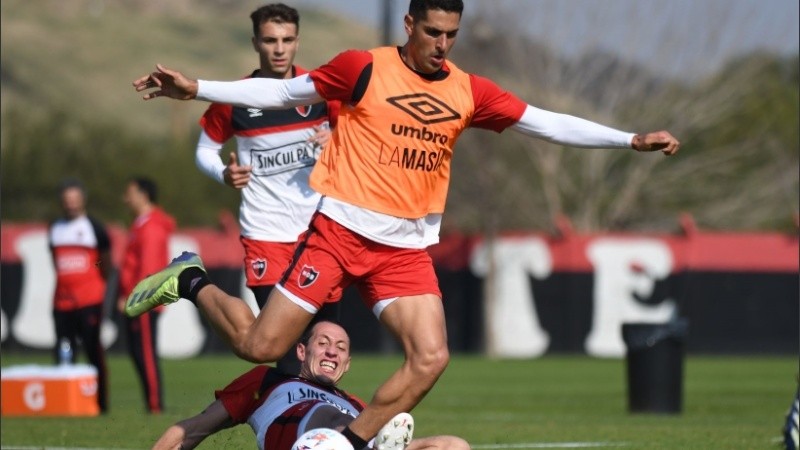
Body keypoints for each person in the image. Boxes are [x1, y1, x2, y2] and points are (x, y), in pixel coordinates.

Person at [129, 0, 680, 446]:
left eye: (452, 35)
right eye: (433, 31)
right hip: (338, 237)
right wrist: (196, 87)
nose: (442, 45)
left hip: (403, 251)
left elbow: (543, 122)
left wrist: (628, 139)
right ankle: (190, 279)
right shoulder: (362, 68)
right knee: (259, 347)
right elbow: (280, 91)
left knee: (431, 357)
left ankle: (348, 444)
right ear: (410, 23)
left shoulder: (467, 90)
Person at [195, 3, 340, 374]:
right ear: (255, 42)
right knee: (284, 347)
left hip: (320, 233)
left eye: (287, 40)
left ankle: (313, 426)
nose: (279, 49)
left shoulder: (319, 89)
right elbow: (205, 149)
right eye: (271, 40)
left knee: (325, 341)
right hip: (266, 233)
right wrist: (223, 174)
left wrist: (338, 137)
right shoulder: (237, 97)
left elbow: (362, 133)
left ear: (297, 42)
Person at [151, 320, 468, 450]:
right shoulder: (267, 381)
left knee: (455, 446)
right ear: (302, 351)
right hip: (301, 441)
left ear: (347, 364)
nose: (332, 351)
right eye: (324, 343)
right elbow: (192, 428)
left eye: (341, 348)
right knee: (329, 426)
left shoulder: (356, 405)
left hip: (358, 441)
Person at [48, 178, 112, 413]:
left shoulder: (93, 227)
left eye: (75, 200)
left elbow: (105, 262)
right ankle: (64, 403)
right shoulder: (54, 228)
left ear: (82, 200)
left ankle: (100, 404)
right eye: (67, 200)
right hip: (62, 302)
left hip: (89, 301)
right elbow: (55, 260)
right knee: (64, 352)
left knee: (94, 352)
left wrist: (94, 282)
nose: (71, 204)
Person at [117, 177, 176, 414]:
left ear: (143, 195)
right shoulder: (141, 224)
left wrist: (135, 298)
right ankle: (151, 403)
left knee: (146, 353)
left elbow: (149, 268)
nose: (126, 198)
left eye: (129, 192)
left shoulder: (151, 226)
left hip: (143, 301)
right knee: (138, 351)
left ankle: (154, 405)